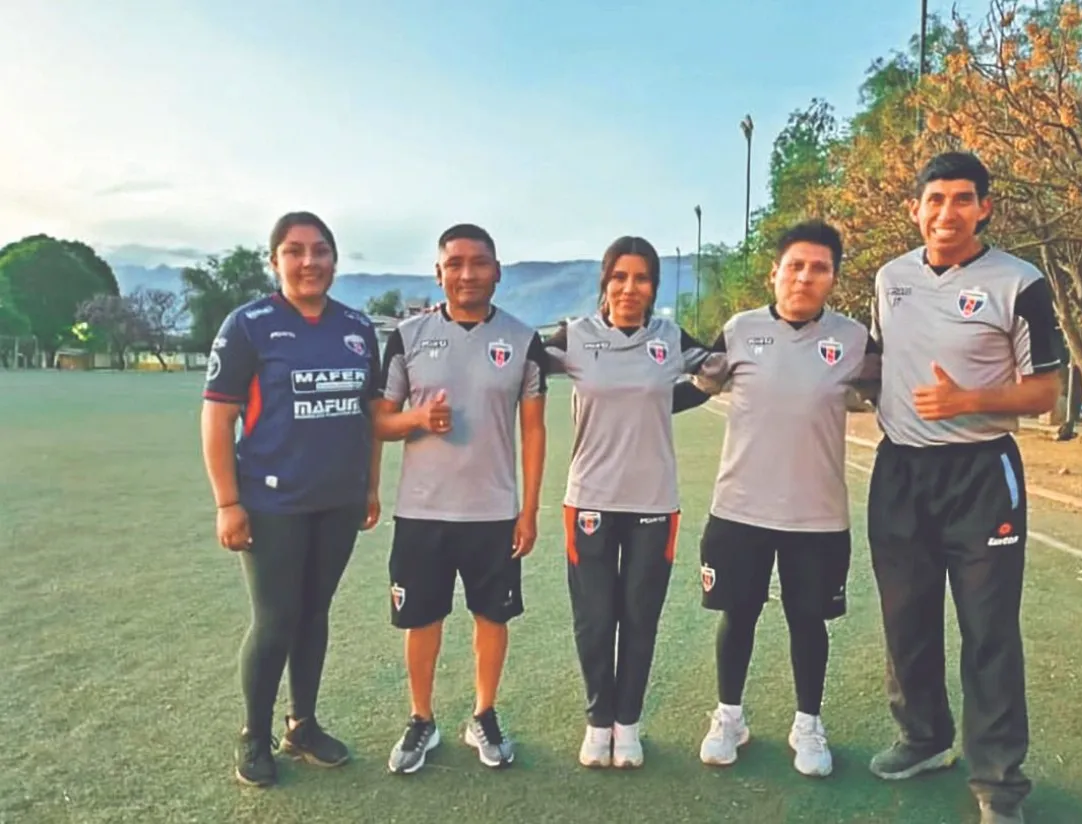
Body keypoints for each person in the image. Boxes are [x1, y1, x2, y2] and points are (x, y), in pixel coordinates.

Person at [866, 152, 1062, 824]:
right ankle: (923, 738)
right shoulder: (890, 278)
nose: (946, 213)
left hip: (981, 474)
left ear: (984, 208)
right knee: (906, 619)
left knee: (988, 630)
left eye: (961, 199)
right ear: (914, 210)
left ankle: (999, 781)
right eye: (935, 199)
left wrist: (967, 400)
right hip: (900, 472)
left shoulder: (1020, 282)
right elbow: (878, 362)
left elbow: (1045, 392)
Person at [672, 221, 879, 777]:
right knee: (737, 616)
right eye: (795, 266)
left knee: (807, 620)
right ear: (775, 273)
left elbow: (893, 395)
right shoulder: (739, 330)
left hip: (817, 515)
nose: (805, 277)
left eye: (819, 268)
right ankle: (729, 717)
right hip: (740, 509)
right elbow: (697, 388)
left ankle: (807, 724)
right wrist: (629, 404)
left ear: (833, 278)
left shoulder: (856, 341)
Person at [200, 211, 385, 788]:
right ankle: (254, 736)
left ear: (334, 259)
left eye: (320, 250)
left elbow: (369, 416)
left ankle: (302, 726)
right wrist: (228, 503)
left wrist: (369, 486)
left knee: (314, 613)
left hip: (338, 501)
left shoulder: (357, 327)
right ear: (275, 260)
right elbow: (217, 419)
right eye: (295, 251)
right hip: (271, 504)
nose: (309, 262)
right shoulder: (248, 324)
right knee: (276, 619)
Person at [542, 236, 725, 769]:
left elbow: (713, 373)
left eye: (641, 278)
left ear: (653, 287)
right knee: (596, 618)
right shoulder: (576, 336)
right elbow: (522, 364)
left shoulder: (669, 338)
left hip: (653, 502)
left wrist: (671, 399)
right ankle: (598, 721)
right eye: (619, 277)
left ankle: (628, 725)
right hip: (590, 500)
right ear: (605, 283)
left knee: (639, 617)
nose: (629, 288)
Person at [375, 223, 548, 774]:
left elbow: (534, 430)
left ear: (497, 272)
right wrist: (417, 419)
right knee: (421, 620)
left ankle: (484, 714)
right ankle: (421, 719)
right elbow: (379, 421)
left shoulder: (523, 340)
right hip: (421, 510)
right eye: (455, 263)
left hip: (493, 513)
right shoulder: (408, 336)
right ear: (439, 273)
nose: (467, 274)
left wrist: (528, 510)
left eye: (478, 263)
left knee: (491, 618)